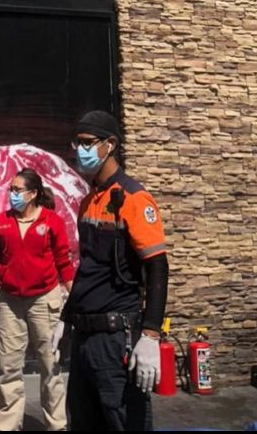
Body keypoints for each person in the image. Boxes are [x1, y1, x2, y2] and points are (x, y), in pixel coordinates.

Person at [52, 110, 170, 431]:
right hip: (85, 338)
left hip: (116, 337)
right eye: (76, 142)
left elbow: (157, 267)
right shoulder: (89, 202)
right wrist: (65, 319)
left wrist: (150, 334)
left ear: (111, 145)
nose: (79, 149)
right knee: (84, 422)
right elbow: (89, 268)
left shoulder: (133, 199)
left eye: (88, 142)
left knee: (123, 422)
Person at [0, 167, 74, 431]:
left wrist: (75, 296)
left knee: (50, 366)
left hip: (44, 300)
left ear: (33, 193)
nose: (12, 195)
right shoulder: (1, 223)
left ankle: (56, 426)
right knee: (9, 369)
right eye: (11, 190)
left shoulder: (51, 222)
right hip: (10, 302)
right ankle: (7, 427)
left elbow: (64, 262)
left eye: (17, 190)